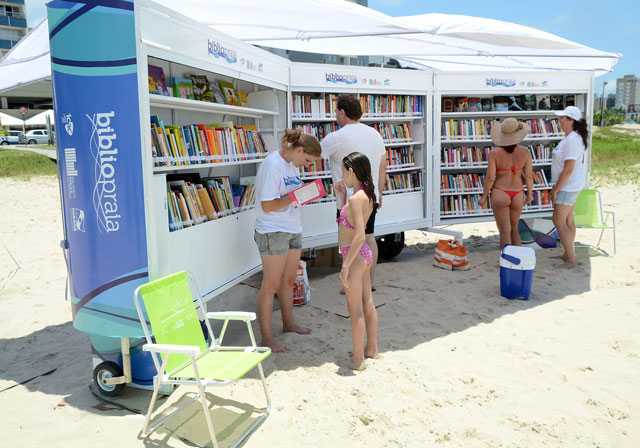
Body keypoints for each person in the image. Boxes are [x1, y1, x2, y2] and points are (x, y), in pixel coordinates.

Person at [254, 128, 322, 353]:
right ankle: (267, 339)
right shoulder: (273, 164)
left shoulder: (291, 163)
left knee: (289, 281)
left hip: (292, 228)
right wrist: (294, 196)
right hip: (273, 231)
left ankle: (288, 323)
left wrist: (303, 195)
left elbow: (287, 198)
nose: (307, 165)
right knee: (270, 285)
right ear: (299, 150)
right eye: (308, 160)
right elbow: (267, 205)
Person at [321, 94, 387, 292]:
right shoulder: (375, 134)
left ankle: (349, 281)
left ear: (342, 112)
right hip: (370, 195)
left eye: (336, 111)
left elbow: (313, 154)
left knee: (348, 241)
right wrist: (381, 193)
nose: (335, 115)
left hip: (349, 198)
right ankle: (369, 281)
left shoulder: (336, 137)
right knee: (369, 237)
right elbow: (383, 166)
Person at [335, 152, 379, 371]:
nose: (343, 175)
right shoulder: (367, 195)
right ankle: (372, 349)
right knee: (367, 303)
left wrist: (345, 265)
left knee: (355, 311)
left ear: (352, 171)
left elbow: (359, 234)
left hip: (354, 255)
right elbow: (350, 223)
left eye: (344, 171)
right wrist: (342, 199)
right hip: (363, 255)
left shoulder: (356, 199)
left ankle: (358, 358)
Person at [479, 118, 533, 249]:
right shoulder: (525, 152)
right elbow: (528, 176)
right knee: (514, 229)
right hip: (518, 193)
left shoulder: (495, 153)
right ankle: (518, 261)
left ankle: (506, 261)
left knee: (504, 231)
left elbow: (490, 177)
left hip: (500, 192)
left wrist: (484, 196)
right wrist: (529, 194)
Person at [550, 106, 588, 268]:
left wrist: (556, 189)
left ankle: (571, 258)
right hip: (571, 184)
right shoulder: (572, 137)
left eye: (562, 118)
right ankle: (568, 253)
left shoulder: (572, 139)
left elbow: (568, 169)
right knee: (568, 220)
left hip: (568, 185)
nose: (559, 120)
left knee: (558, 220)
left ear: (571, 120)